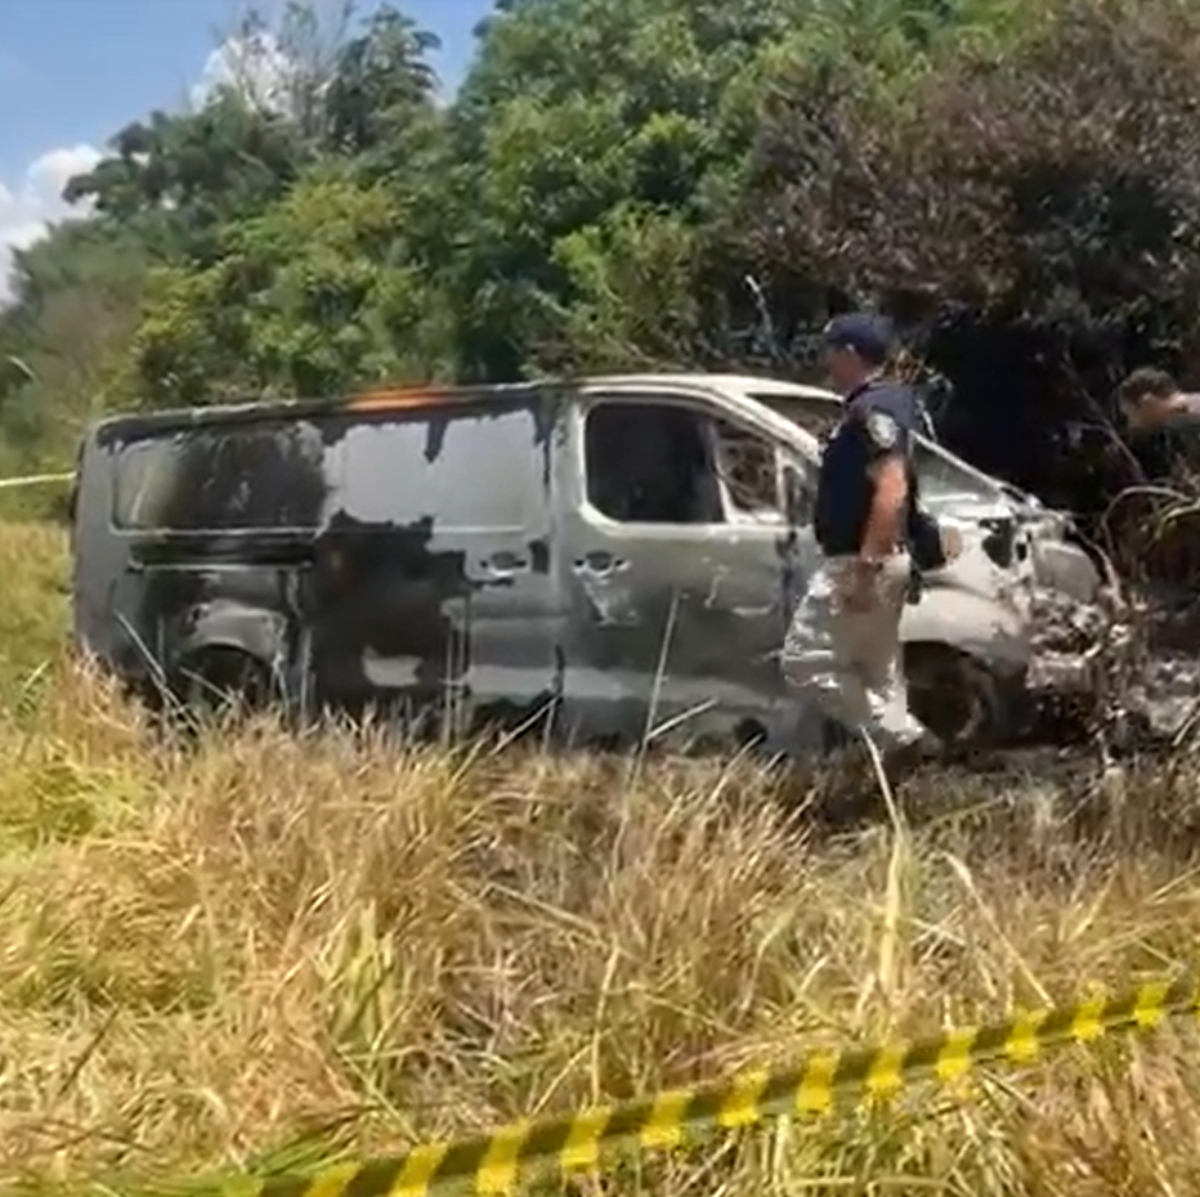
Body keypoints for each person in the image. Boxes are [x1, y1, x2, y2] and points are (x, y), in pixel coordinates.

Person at [782, 313, 947, 774]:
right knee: (878, 676)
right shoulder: (883, 405)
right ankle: (894, 780)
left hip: (862, 559)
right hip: (880, 557)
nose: (826, 363)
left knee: (804, 661)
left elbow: (891, 487)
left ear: (850, 355)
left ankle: (903, 738)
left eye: (831, 353)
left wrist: (865, 568)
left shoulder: (874, 410)